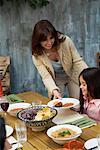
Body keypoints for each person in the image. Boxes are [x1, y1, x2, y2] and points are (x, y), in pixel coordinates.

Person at [32, 20, 88, 99]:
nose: (49, 42)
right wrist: (54, 90)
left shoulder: (66, 41)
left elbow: (78, 61)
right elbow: (46, 76)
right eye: (45, 40)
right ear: (38, 40)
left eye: (51, 38)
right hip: (56, 79)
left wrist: (88, 78)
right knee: (56, 102)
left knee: (78, 99)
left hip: (72, 73)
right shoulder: (36, 55)